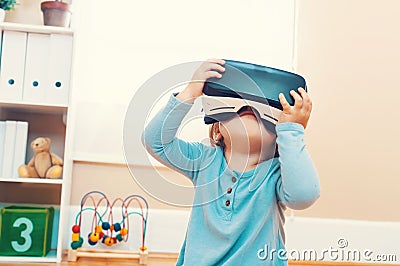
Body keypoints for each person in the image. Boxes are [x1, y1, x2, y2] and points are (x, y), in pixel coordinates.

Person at [142, 59, 320, 265]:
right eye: (237, 103)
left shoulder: (276, 175)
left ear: (278, 135)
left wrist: (292, 131)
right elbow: (155, 142)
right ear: (217, 127)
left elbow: (304, 196)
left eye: (260, 108)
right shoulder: (203, 161)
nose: (248, 107)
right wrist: (189, 93)